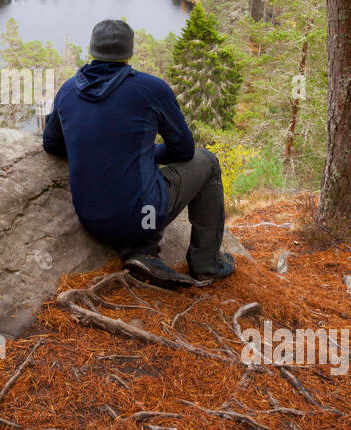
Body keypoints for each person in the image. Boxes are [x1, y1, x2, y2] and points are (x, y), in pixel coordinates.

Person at [42, 17, 235, 287]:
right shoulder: (151, 89)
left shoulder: (67, 90)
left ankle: (142, 252)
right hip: (143, 218)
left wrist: (108, 151)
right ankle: (206, 264)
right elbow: (184, 149)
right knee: (208, 161)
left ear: (92, 49)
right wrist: (143, 152)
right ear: (129, 52)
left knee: (138, 190)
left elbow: (51, 144)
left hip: (92, 221)